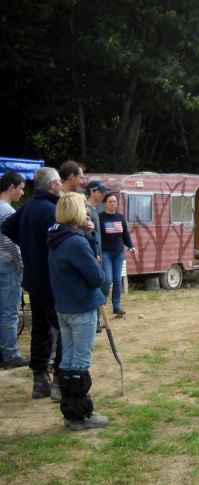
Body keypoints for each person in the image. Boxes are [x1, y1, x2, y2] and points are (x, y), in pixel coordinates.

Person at [48, 192, 108, 431]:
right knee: (80, 363)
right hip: (80, 308)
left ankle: (70, 412)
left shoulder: (57, 237)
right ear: (77, 213)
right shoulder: (75, 241)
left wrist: (89, 235)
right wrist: (90, 240)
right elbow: (97, 276)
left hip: (64, 307)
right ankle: (80, 415)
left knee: (68, 361)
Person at [1, 167, 63, 400]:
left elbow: (7, 227)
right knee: (64, 330)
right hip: (50, 281)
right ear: (52, 185)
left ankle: (40, 380)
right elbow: (61, 243)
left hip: (33, 281)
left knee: (40, 330)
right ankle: (58, 380)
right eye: (59, 182)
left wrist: (27, 245)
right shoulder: (51, 210)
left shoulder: (28, 207)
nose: (61, 186)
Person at [0, 171, 30, 368]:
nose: (21, 193)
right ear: (11, 187)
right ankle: (10, 354)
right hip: (8, 265)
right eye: (20, 189)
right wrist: (21, 262)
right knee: (9, 312)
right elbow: (9, 241)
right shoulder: (8, 211)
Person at [99, 193, 137, 314]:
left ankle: (116, 306)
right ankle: (100, 304)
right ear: (105, 203)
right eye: (110, 201)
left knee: (117, 280)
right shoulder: (100, 217)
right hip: (105, 252)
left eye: (115, 201)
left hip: (118, 253)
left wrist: (131, 246)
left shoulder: (120, 217)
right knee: (107, 280)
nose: (113, 204)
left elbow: (125, 234)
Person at [85, 180, 109, 333]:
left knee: (102, 285)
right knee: (96, 287)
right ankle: (94, 321)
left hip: (98, 255)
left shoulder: (94, 210)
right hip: (93, 257)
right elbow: (86, 236)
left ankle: (96, 320)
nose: (103, 195)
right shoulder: (86, 211)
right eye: (100, 192)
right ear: (92, 192)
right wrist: (93, 255)